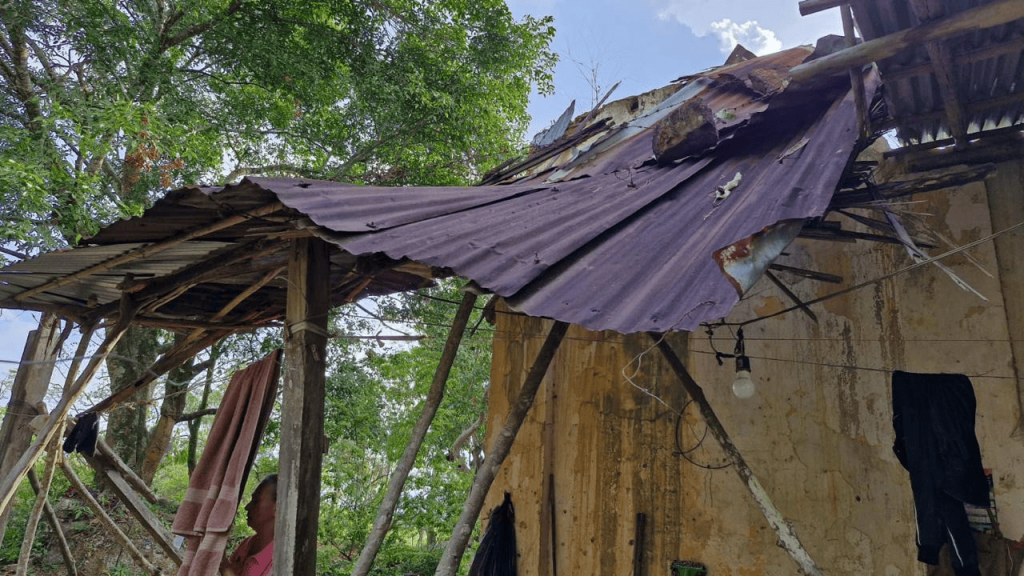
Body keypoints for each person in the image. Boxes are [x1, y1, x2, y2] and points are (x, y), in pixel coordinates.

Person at [222, 474, 277, 576]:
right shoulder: (246, 544)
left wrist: (223, 565)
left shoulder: (281, 559)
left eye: (256, 501)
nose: (247, 507)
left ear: (277, 508)